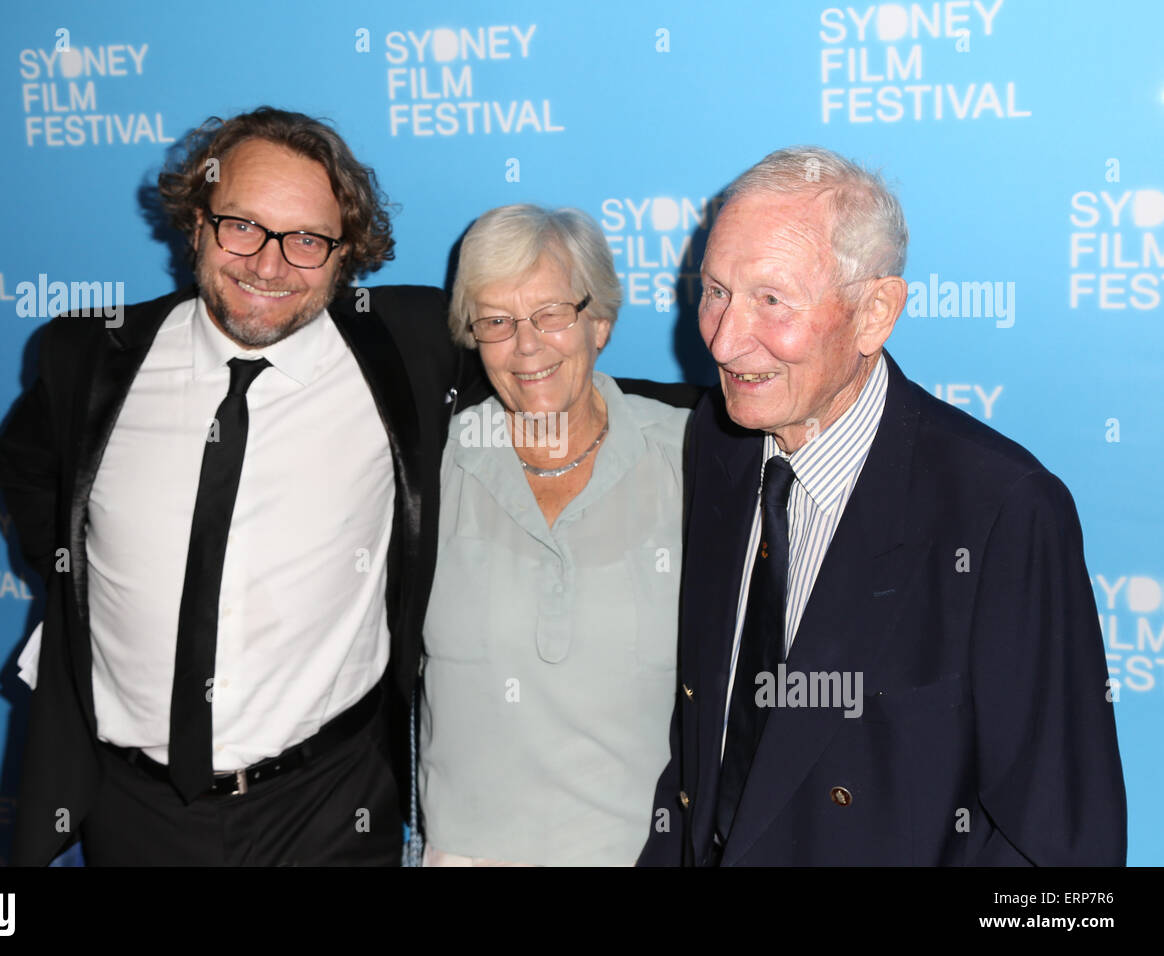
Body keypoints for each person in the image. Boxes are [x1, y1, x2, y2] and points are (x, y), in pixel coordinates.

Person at [0, 107, 464, 865]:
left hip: (332, 806)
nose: (269, 265)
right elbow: (23, 465)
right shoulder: (86, 357)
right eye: (241, 226)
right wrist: (77, 576)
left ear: (346, 255)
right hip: (133, 808)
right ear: (195, 222)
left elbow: (546, 367)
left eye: (307, 240)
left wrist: (713, 415)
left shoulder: (408, 347)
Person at [639, 147, 1128, 866]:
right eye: (715, 291)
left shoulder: (1002, 514)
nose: (724, 336)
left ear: (875, 313)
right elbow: (704, 758)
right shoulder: (722, 447)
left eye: (773, 300)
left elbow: (1062, 857)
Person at [418, 204, 696, 866]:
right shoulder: (431, 464)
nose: (526, 345)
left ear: (598, 320)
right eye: (496, 321)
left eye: (550, 314)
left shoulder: (695, 461)